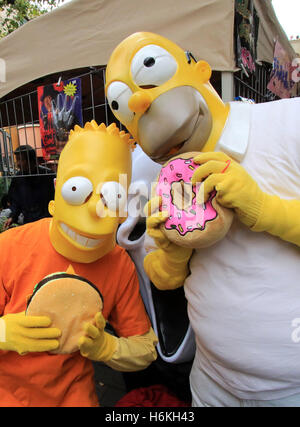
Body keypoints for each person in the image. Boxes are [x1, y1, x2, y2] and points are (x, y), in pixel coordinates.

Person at [106, 32, 300, 407]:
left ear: (201, 70)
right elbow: (161, 279)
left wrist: (263, 209)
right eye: (123, 105)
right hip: (212, 383)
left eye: (150, 72)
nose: (142, 102)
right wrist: (171, 253)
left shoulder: (288, 123)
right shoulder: (150, 173)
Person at [0, 121, 157, 407]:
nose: (94, 212)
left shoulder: (118, 263)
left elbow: (145, 348)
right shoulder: (9, 247)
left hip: (74, 395)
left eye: (112, 196)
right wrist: (2, 333)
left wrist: (107, 347)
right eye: (77, 190)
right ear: (57, 190)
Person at [4, 145, 55, 229]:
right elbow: (16, 202)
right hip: (29, 222)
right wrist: (12, 217)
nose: (18, 163)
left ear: (31, 160)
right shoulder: (17, 178)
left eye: (22, 159)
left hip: (47, 222)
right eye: (17, 160)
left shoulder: (48, 175)